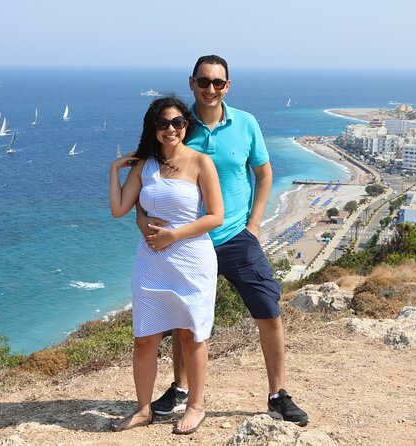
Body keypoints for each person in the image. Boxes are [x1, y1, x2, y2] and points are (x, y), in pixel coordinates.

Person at [140, 55, 309, 426]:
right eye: (204, 81)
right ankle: (181, 389)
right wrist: (144, 219)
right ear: (192, 83)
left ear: (228, 86)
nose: (210, 89)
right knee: (184, 318)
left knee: (268, 310)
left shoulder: (246, 123)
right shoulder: (178, 125)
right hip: (187, 240)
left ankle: (278, 394)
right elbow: (151, 175)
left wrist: (255, 225)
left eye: (218, 82)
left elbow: (264, 174)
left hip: (234, 236)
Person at [108, 96, 224, 434]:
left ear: (186, 124)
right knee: (145, 338)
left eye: (177, 122)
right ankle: (143, 409)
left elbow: (216, 216)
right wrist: (114, 170)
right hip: (151, 262)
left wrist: (173, 235)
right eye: (162, 123)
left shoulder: (201, 162)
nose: (170, 129)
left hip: (191, 259)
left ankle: (196, 406)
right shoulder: (144, 166)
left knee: (191, 335)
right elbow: (119, 208)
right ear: (153, 128)